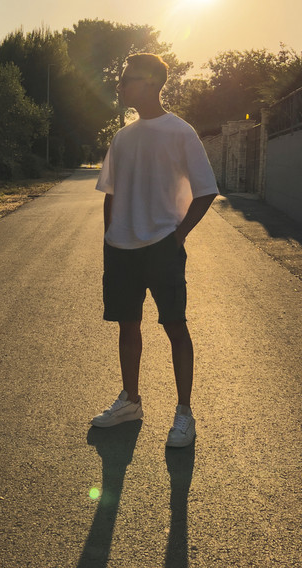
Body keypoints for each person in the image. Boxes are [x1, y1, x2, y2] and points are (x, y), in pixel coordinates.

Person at [92, 53, 218, 447]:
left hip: (162, 246)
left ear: (149, 83)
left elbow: (206, 190)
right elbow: (110, 192)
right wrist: (110, 236)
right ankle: (130, 401)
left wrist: (177, 237)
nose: (119, 85)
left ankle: (184, 414)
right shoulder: (123, 137)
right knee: (127, 325)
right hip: (121, 248)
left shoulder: (180, 132)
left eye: (126, 79)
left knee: (175, 327)